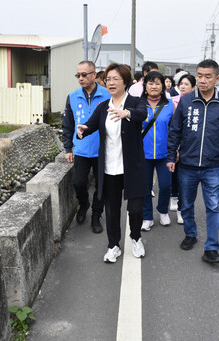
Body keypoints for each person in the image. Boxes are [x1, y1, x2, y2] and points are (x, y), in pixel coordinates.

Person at [77, 63, 149, 263]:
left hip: (132, 167)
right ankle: (113, 245)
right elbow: (90, 125)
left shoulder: (135, 102)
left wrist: (127, 113)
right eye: (108, 79)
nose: (110, 82)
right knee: (111, 209)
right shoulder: (103, 107)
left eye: (115, 79)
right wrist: (82, 129)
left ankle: (136, 238)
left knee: (135, 208)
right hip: (109, 168)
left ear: (125, 81)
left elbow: (143, 114)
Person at [167, 59, 219, 264]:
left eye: (208, 76)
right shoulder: (186, 101)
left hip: (212, 166)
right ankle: (190, 234)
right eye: (200, 76)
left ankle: (212, 247)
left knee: (213, 206)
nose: (203, 80)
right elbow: (175, 131)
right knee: (186, 204)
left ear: (217, 78)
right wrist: (171, 156)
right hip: (187, 164)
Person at [62, 61, 110, 233]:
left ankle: (97, 215)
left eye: (84, 75)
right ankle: (83, 205)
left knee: (101, 186)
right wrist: (68, 148)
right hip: (81, 149)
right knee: (78, 183)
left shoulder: (107, 95)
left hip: (102, 150)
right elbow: (68, 124)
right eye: (78, 75)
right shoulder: (73, 96)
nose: (81, 78)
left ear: (94, 75)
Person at [140, 71, 174, 231]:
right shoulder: (138, 104)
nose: (154, 86)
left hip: (165, 153)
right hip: (143, 153)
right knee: (145, 186)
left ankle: (162, 210)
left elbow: (175, 130)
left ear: (163, 86)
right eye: (150, 83)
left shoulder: (170, 105)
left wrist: (176, 150)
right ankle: (147, 216)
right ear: (145, 85)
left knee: (166, 185)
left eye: (157, 83)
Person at [169, 74, 196, 225]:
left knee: (186, 181)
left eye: (187, 84)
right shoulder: (172, 101)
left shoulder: (196, 103)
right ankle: (174, 197)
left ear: (193, 87)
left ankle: (182, 208)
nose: (183, 86)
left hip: (190, 148)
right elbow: (173, 127)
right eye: (181, 84)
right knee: (175, 174)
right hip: (177, 145)